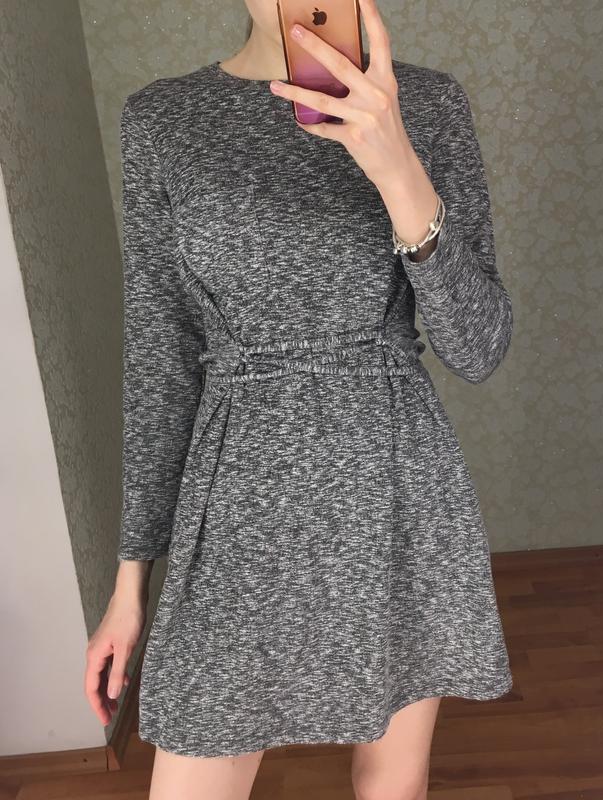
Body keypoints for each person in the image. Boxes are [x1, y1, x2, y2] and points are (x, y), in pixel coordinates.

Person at [85, 0, 514, 797]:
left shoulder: (424, 104)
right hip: (238, 493)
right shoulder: (162, 119)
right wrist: (129, 582)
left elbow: (478, 346)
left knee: (391, 782)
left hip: (392, 485)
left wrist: (396, 164)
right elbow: (159, 357)